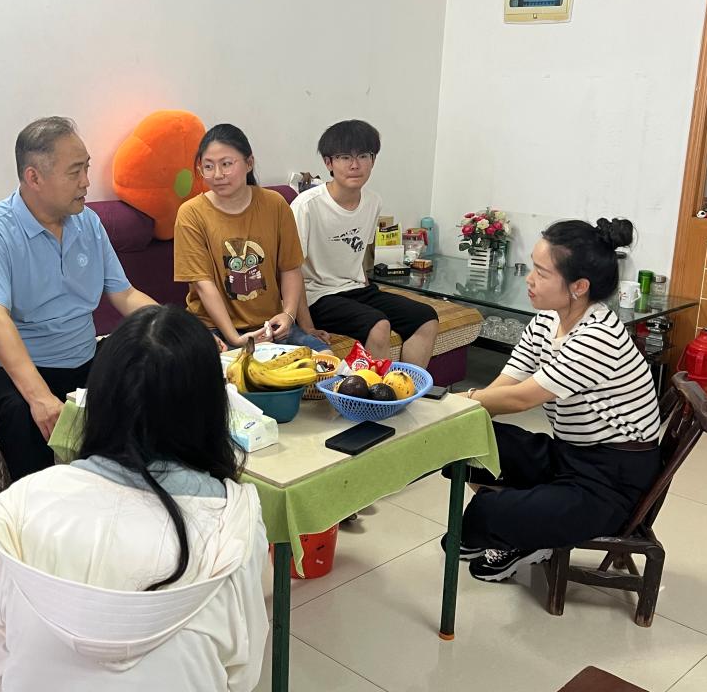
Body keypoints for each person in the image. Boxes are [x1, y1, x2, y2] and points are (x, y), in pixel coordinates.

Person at [0, 305, 268, 691]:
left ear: (100, 398)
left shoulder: (19, 505)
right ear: (210, 407)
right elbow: (242, 673)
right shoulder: (235, 522)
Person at [450, 218, 662, 582]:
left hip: (608, 480)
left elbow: (521, 399)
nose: (529, 279)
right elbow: (507, 383)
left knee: (485, 513)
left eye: (541, 272)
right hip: (570, 455)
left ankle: (522, 536)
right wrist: (461, 411)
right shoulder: (547, 320)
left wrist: (453, 403)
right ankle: (522, 530)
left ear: (579, 286)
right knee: (466, 440)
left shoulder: (598, 337)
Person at [0, 117, 157, 481]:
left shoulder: (88, 223)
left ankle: (139, 494)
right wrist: (39, 396)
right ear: (34, 177)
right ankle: (37, 510)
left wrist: (181, 333)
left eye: (86, 168)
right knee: (23, 412)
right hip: (5, 371)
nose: (86, 181)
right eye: (74, 172)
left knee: (154, 368)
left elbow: (126, 295)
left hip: (81, 359)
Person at [291, 119, 438, 367]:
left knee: (426, 318)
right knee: (378, 325)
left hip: (356, 289)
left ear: (373, 160)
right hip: (317, 295)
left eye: (363, 156)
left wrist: (367, 289)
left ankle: (407, 386)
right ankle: (374, 391)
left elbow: (358, 256)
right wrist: (306, 326)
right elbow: (290, 269)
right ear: (328, 163)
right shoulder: (306, 205)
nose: (355, 165)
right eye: (344, 157)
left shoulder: (373, 201)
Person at [174, 123, 330, 352]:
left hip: (270, 324)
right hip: (214, 329)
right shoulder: (191, 213)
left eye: (226, 164)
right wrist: (235, 338)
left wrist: (288, 315)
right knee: (235, 371)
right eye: (208, 166)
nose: (217, 175)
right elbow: (204, 285)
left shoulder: (275, 204)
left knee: (326, 359)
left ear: (249, 163)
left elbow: (290, 268)